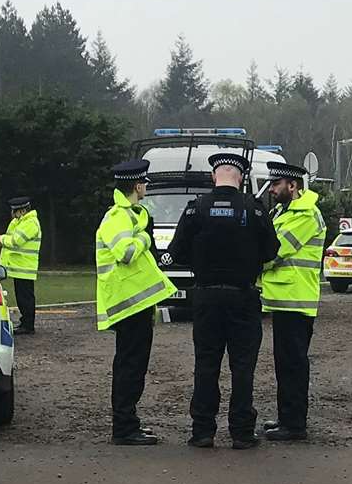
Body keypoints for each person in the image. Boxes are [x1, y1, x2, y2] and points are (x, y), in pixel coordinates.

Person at [167, 151, 277, 448]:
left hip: (206, 296)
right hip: (243, 297)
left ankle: (203, 430)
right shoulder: (254, 209)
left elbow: (176, 252)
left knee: (206, 364)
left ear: (214, 176)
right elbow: (271, 251)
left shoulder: (196, 209)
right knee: (242, 367)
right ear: (240, 178)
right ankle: (241, 432)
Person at [96, 159, 177, 445]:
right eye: (144, 183)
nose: (146, 188)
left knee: (133, 366)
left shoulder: (132, 214)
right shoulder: (118, 216)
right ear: (137, 185)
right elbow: (126, 252)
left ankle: (129, 423)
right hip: (127, 303)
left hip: (135, 303)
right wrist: (144, 237)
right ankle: (124, 427)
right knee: (130, 367)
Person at [258, 161, 323, 441]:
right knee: (284, 363)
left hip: (296, 299)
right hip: (284, 299)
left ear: (293, 186)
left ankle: (295, 425)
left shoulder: (306, 214)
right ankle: (286, 418)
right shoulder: (285, 212)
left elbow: (275, 251)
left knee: (294, 363)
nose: (272, 189)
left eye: (276, 184)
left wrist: (246, 264)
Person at [0, 196, 41, 334]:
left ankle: (28, 325)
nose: (12, 214)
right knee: (22, 297)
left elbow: (16, 241)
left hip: (24, 267)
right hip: (20, 267)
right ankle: (25, 323)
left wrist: (1, 239)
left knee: (25, 298)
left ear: (21, 211)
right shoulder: (21, 222)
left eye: (14, 211)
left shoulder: (30, 223)